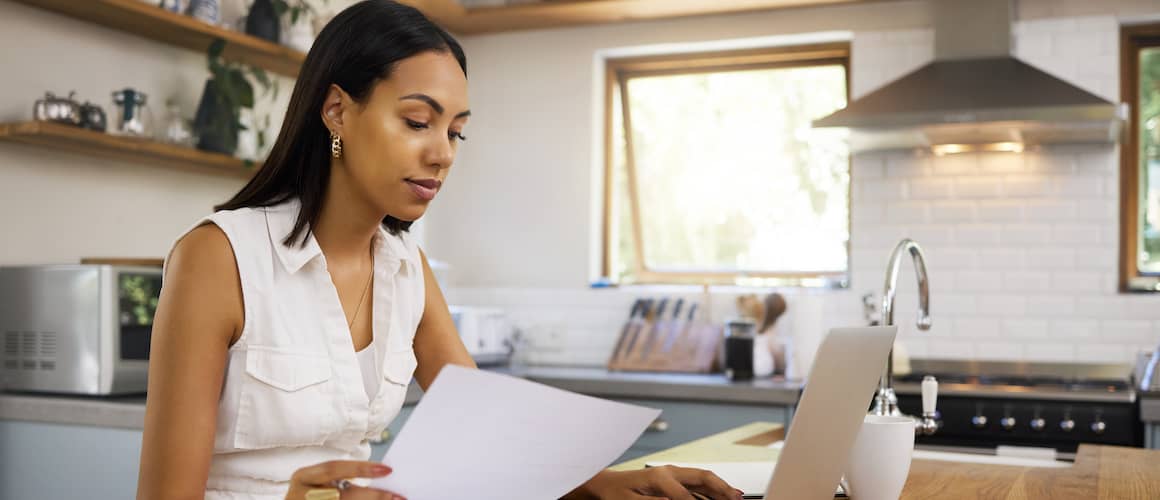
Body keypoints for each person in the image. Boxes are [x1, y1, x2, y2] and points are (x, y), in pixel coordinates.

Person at [136, 1, 742, 499]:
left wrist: (607, 485)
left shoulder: (405, 271)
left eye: (455, 131)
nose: (443, 153)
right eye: (417, 121)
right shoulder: (219, 258)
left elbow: (486, 435)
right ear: (338, 111)